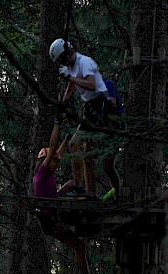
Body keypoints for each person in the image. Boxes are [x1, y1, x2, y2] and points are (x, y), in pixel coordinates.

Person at [49, 38, 120, 199]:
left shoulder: (84, 62)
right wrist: (64, 103)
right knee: (86, 154)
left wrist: (70, 78)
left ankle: (80, 186)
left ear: (67, 53)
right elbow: (73, 85)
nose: (62, 63)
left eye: (61, 59)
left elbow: (92, 84)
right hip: (90, 108)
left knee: (76, 144)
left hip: (100, 107)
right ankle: (89, 192)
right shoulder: (72, 67)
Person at [33, 122, 93, 274]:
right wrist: (58, 123)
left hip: (54, 206)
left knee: (73, 183)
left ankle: (89, 198)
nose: (57, 164)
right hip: (49, 220)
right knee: (78, 245)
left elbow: (58, 151)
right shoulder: (42, 174)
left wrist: (72, 134)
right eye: (54, 161)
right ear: (47, 161)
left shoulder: (48, 172)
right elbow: (53, 147)